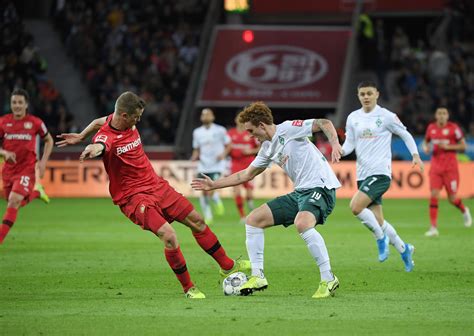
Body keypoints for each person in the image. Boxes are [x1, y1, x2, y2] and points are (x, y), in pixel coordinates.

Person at [56, 91, 249, 299]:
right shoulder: (106, 137)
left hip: (157, 186)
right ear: (124, 116)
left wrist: (80, 135)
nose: (138, 121)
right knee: (169, 236)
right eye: (136, 117)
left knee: (197, 221)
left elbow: (97, 121)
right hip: (134, 197)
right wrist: (90, 147)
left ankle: (227, 265)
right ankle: (188, 288)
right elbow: (100, 144)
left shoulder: (116, 119)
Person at [192, 101, 342, 299]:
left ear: (262, 125)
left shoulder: (288, 129)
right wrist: (214, 185)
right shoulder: (267, 149)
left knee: (302, 222)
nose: (250, 135)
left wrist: (335, 143)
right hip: (300, 193)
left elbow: (324, 123)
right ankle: (258, 276)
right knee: (253, 219)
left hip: (321, 187)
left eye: (251, 131)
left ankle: (328, 278)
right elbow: (245, 175)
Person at [341, 81, 423, 272]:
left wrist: (415, 155)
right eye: (362, 94)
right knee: (379, 220)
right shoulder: (353, 117)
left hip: (380, 173)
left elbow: (405, 134)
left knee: (355, 207)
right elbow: (350, 144)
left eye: (369, 93)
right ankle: (404, 249)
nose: (366, 97)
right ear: (358, 95)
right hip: (362, 174)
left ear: (377, 94)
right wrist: (340, 151)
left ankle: (380, 238)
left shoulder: (386, 116)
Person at [0, 88, 52, 244]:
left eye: (20, 102)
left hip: (26, 170)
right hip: (8, 170)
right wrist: (3, 152)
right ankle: (36, 192)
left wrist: (43, 162)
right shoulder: (3, 122)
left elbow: (49, 140)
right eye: (14, 102)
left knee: (14, 200)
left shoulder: (35, 123)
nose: (17, 105)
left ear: (26, 104)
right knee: (11, 201)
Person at [422, 107, 471, 237]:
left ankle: (464, 210)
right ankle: (433, 228)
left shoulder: (454, 128)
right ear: (436, 115)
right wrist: (425, 148)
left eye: (444, 113)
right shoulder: (431, 128)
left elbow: (463, 146)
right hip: (436, 168)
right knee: (434, 194)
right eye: (439, 113)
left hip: (451, 169)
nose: (442, 116)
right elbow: (425, 142)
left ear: (448, 116)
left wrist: (449, 146)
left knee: (452, 198)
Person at [190, 108, 231, 224]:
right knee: (203, 191)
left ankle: (216, 200)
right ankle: (208, 216)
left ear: (212, 117)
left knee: (212, 188)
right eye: (203, 115)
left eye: (208, 114)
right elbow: (196, 149)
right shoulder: (197, 132)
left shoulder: (220, 130)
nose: (205, 116)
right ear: (201, 118)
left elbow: (229, 145)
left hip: (217, 165)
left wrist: (223, 154)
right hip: (203, 165)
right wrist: (194, 157)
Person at [227, 114, 260, 222]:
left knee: (249, 194)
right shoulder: (230, 133)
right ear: (236, 120)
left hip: (248, 165)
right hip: (235, 164)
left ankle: (251, 208)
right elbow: (225, 147)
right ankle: (242, 216)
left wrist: (250, 151)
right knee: (236, 191)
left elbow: (260, 147)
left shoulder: (250, 133)